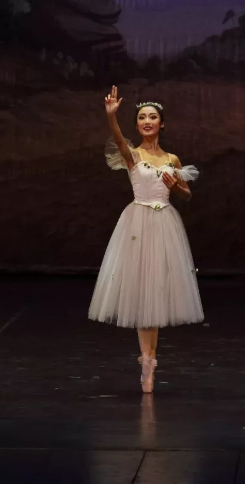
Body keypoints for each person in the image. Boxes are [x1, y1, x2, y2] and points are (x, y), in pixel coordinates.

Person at [88, 86, 204, 393]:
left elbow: (187, 194)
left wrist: (174, 184)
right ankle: (147, 362)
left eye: (152, 117)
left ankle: (150, 359)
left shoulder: (171, 158)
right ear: (137, 124)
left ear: (161, 123)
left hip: (164, 224)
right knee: (142, 295)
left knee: (157, 292)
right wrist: (111, 117)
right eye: (142, 117)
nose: (147, 121)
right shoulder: (134, 155)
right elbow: (118, 141)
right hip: (137, 225)